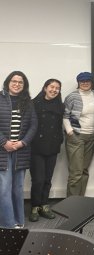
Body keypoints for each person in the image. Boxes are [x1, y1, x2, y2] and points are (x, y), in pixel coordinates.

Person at [0, 71, 37, 228]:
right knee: (4, 189)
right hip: (3, 151)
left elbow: (33, 125)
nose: (17, 84)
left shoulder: (27, 102)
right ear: (8, 82)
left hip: (21, 151)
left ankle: (18, 221)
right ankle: (8, 224)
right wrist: (4, 142)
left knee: (18, 189)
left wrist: (23, 142)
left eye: (20, 82)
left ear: (24, 85)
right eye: (14, 81)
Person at [29, 79, 64, 222]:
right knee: (38, 179)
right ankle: (34, 206)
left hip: (52, 146)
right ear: (45, 88)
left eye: (57, 88)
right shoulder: (33, 104)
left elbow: (59, 126)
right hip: (36, 146)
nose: (54, 90)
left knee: (47, 179)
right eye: (52, 87)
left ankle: (44, 204)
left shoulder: (60, 106)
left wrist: (59, 140)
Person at [63, 72, 94, 197]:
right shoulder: (72, 96)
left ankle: (80, 201)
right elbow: (65, 116)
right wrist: (70, 133)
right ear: (78, 82)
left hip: (91, 137)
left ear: (91, 82)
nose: (85, 83)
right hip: (76, 137)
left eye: (87, 81)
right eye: (82, 81)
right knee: (76, 172)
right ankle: (71, 203)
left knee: (84, 170)